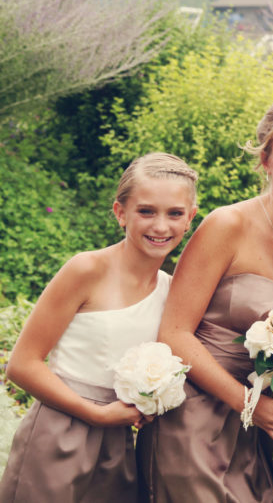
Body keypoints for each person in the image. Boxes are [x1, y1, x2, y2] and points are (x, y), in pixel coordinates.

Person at [139, 96, 273, 502]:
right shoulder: (226, 225)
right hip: (193, 421)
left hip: (259, 438)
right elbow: (175, 333)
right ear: (265, 160)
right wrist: (249, 404)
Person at [0, 153, 198, 502]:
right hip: (61, 430)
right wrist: (97, 414)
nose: (161, 226)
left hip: (119, 442)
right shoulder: (86, 270)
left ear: (190, 219)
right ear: (121, 213)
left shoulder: (171, 290)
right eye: (146, 211)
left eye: (175, 214)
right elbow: (22, 364)